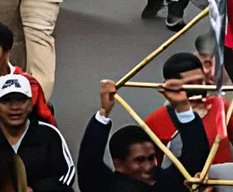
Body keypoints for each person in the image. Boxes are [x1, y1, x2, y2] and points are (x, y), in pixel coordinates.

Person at [78, 78, 210, 192]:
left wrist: (183, 106)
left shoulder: (166, 182)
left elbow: (196, 156)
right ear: (118, 164)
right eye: (139, 160)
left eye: (151, 158)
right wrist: (104, 112)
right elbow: (89, 166)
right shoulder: (110, 188)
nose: (148, 166)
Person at [144, 53, 233, 165]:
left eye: (200, 82)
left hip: (225, 180)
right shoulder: (154, 121)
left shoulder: (221, 106)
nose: (197, 89)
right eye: (189, 84)